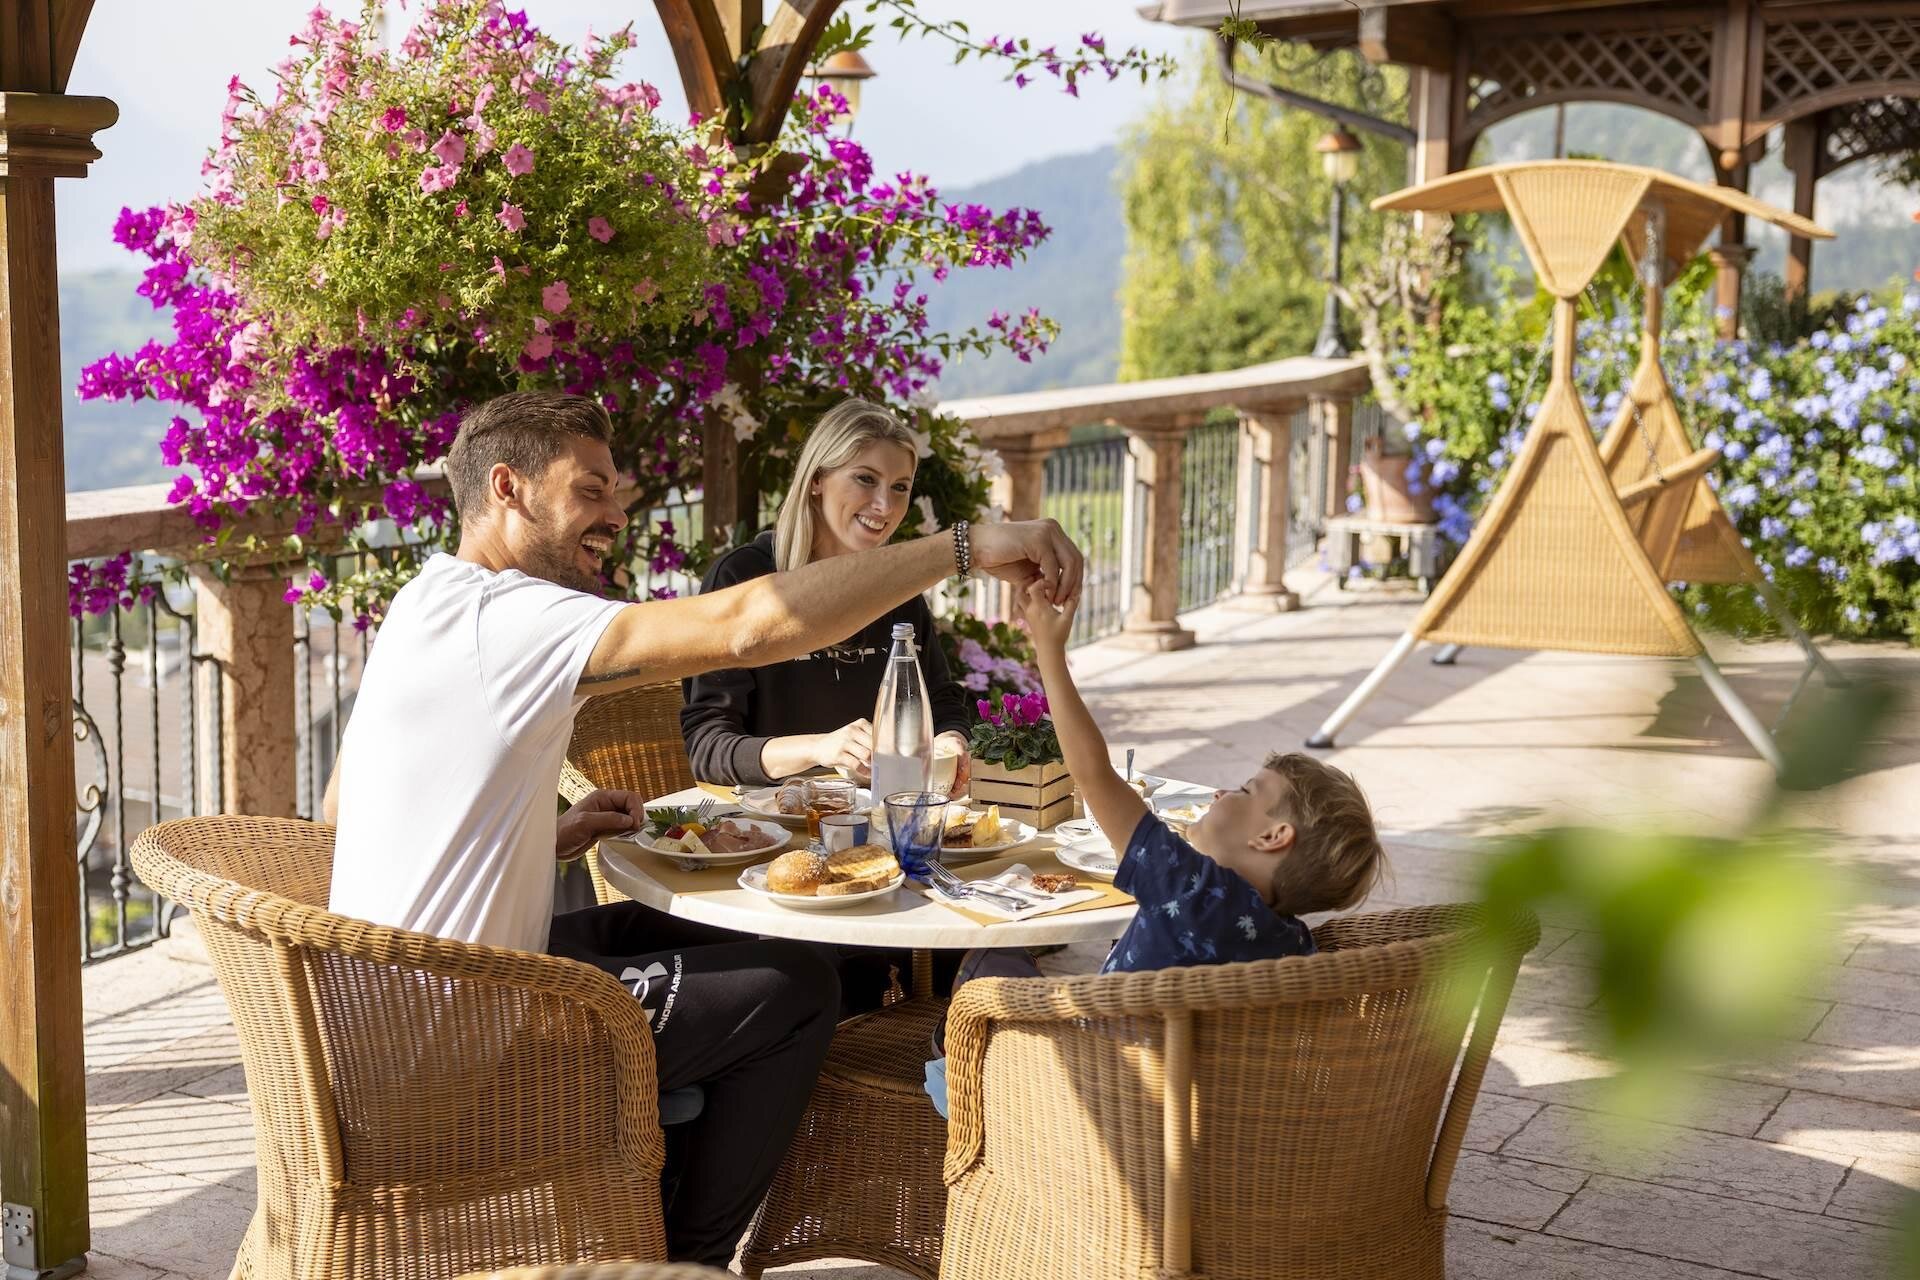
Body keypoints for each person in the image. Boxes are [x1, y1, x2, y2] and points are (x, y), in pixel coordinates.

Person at [320, 390, 1082, 1264]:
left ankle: (647, 1188)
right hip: (458, 1043)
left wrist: (545, 834)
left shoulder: (429, 598)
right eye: (592, 490)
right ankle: (684, 1259)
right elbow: (750, 625)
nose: (618, 513)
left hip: (387, 1002)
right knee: (796, 985)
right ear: (509, 489)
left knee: (681, 925)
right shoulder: (512, 615)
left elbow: (345, 806)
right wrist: (961, 546)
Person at [923, 580, 1386, 1117]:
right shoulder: (1296, 948)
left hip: (1086, 1108)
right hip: (1184, 1121)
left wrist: (1049, 649)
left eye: (1243, 791)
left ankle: (956, 1088)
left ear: (1271, 838)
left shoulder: (1189, 886)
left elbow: (1094, 775)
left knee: (994, 957)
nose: (1220, 793)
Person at [680, 397, 971, 791]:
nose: (884, 505)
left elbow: (941, 700)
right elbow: (708, 747)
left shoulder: (897, 588)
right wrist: (821, 748)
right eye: (865, 479)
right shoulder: (743, 577)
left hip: (880, 820)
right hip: (770, 831)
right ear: (817, 479)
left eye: (900, 487)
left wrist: (950, 739)